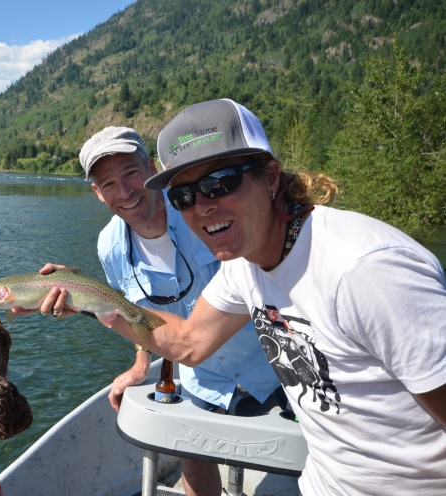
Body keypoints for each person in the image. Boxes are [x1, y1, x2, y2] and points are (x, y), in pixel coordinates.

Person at [28, 99, 446, 495]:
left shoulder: (367, 270)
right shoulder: (243, 265)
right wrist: (89, 301)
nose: (202, 207)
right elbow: (188, 342)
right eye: (184, 195)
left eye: (219, 183)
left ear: (270, 176)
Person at [52, 126, 282, 496]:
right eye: (108, 183)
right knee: (191, 453)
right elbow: (134, 311)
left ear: (152, 167)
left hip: (271, 361)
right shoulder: (109, 245)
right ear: (97, 193)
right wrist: (140, 363)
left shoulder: (200, 209)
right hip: (202, 375)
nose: (125, 192)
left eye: (131, 174)